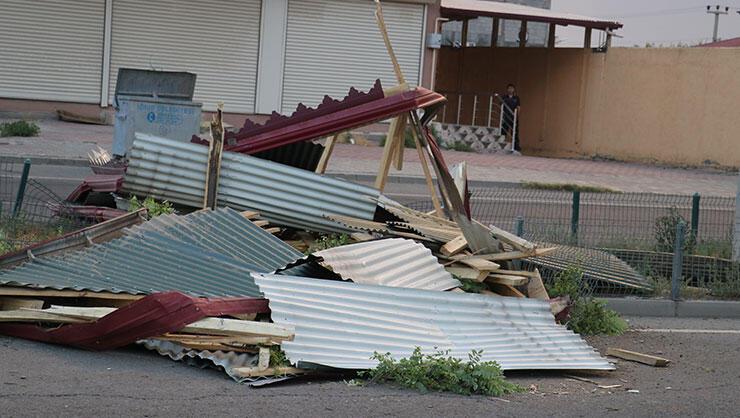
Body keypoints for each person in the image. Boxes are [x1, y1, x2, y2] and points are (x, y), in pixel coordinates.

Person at [499, 84, 521, 152]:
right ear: (507, 89)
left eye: (512, 88)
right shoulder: (504, 97)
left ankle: (515, 147)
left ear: (514, 90)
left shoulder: (516, 98)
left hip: (513, 117)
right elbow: (501, 105)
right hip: (506, 116)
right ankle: (501, 144)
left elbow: (518, 107)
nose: (510, 90)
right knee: (504, 130)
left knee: (514, 132)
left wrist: (517, 116)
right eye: (509, 88)